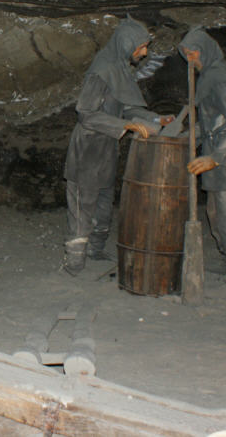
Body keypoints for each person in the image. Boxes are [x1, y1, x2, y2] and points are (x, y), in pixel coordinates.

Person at [62, 16, 171, 276]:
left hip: (106, 147)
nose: (144, 53)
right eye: (141, 47)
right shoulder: (102, 70)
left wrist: (156, 119)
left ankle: (96, 250)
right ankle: (75, 264)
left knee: (103, 202)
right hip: (88, 148)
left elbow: (128, 107)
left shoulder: (120, 69)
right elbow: (86, 114)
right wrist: (127, 126)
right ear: (126, 43)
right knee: (83, 203)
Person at [179, 28, 226, 290]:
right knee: (215, 214)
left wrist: (215, 157)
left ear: (205, 51)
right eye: (186, 54)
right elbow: (208, 123)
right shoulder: (208, 76)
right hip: (214, 152)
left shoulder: (220, 78)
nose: (190, 59)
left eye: (193, 53)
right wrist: (183, 138)